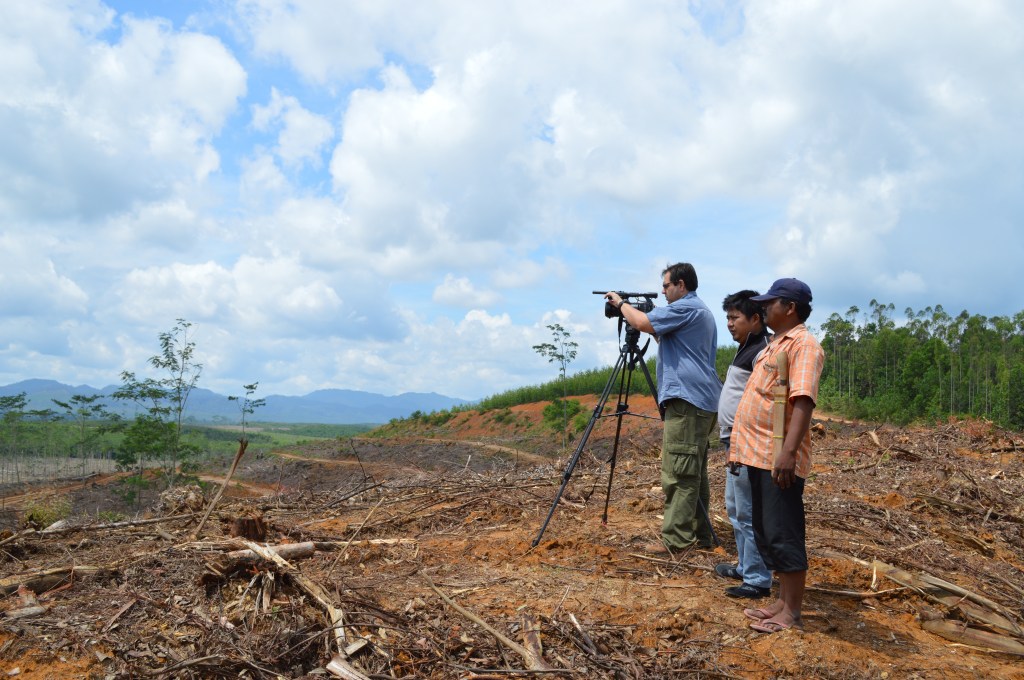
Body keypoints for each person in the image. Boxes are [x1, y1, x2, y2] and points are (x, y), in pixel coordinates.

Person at [605, 263, 722, 553]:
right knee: (693, 472)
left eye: (666, 285)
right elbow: (661, 334)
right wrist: (641, 316)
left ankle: (677, 541)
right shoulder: (698, 311)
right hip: (700, 401)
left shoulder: (686, 307)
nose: (662, 290)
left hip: (688, 400)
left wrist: (621, 305)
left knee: (679, 473)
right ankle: (700, 535)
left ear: (681, 285)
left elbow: (643, 323)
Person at [730, 278, 824, 633]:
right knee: (767, 531)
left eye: (772, 303)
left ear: (791, 308)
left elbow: (802, 400)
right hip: (757, 455)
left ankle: (793, 614)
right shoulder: (773, 346)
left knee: (784, 532)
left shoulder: (804, 345)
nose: (764, 308)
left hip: (777, 457)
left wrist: (787, 453)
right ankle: (782, 602)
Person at [714, 291, 773, 599]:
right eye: (727, 317)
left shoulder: (762, 351)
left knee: (748, 512)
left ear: (755, 319)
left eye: (735, 318)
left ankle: (757, 578)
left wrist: (741, 439)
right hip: (734, 440)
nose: (729, 324)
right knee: (736, 509)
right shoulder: (747, 348)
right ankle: (745, 566)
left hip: (746, 443)